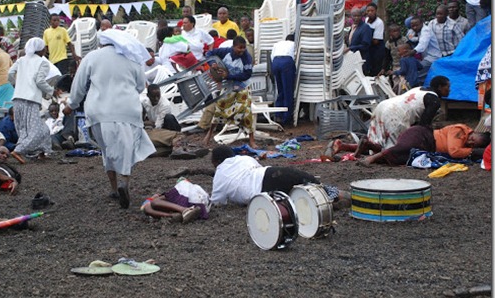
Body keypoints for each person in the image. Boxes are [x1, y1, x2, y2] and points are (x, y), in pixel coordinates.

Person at [63, 29, 156, 209]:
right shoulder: (132, 58)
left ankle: (114, 189)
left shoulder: (92, 57)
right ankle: (124, 182)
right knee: (127, 149)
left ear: (102, 42)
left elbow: (79, 86)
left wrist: (71, 105)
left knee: (108, 150)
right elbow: (139, 86)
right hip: (127, 111)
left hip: (99, 111)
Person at [332, 76, 451, 155]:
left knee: (378, 143)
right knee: (394, 151)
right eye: (447, 87)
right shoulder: (434, 100)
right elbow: (423, 125)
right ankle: (366, 145)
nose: (449, 90)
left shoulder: (420, 89)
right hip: (396, 114)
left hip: (383, 106)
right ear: (440, 87)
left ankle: (344, 146)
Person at [210, 145, 347, 208]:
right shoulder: (243, 158)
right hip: (273, 173)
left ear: (216, 162)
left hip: (264, 191)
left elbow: (217, 202)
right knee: (312, 185)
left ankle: (330, 202)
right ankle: (339, 195)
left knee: (298, 199)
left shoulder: (219, 175)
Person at [203, 37, 257, 149]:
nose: (242, 50)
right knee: (219, 110)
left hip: (242, 87)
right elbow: (209, 53)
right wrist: (212, 63)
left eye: (243, 48)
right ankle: (209, 134)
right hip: (228, 86)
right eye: (239, 48)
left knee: (247, 112)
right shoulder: (225, 51)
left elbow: (247, 75)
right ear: (233, 46)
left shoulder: (246, 58)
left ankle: (252, 140)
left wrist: (229, 76)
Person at [8, 37, 55, 163]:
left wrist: (16, 85)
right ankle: (19, 150)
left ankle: (43, 151)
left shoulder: (21, 60)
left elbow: (10, 74)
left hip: (18, 99)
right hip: (31, 99)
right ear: (40, 50)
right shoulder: (43, 62)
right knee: (34, 130)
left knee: (28, 128)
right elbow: (40, 81)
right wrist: (51, 90)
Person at [357, 124, 490, 166]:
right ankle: (372, 157)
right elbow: (454, 151)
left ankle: (369, 145)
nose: (470, 142)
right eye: (472, 138)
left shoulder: (466, 144)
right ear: (472, 132)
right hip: (423, 135)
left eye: (473, 145)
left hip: (427, 147)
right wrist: (471, 152)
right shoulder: (460, 131)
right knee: (403, 149)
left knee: (402, 158)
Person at [140, 179, 209, 223]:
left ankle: (181, 212)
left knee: (152, 204)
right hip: (200, 203)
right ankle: (177, 215)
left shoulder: (171, 195)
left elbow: (145, 206)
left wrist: (152, 198)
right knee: (149, 206)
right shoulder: (172, 197)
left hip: (187, 199)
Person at [270, 34, 296, 126]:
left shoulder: (278, 43)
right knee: (288, 91)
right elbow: (296, 58)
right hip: (286, 62)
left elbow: (272, 57)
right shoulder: (294, 44)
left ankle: (278, 115)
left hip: (276, 62)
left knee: (280, 90)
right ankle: (287, 118)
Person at [408, 16, 442, 85]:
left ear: (421, 23)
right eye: (412, 26)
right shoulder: (416, 31)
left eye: (416, 25)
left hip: (432, 57)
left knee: (417, 71)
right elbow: (410, 37)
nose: (414, 27)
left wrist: (412, 51)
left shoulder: (426, 30)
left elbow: (422, 44)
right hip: (426, 57)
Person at [344, 7, 373, 75]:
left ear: (362, 16)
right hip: (353, 59)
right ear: (351, 16)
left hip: (362, 59)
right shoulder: (353, 27)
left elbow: (365, 45)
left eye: (358, 16)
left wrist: (350, 48)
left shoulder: (365, 27)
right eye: (354, 16)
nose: (356, 18)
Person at [364, 2, 386, 76]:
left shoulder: (379, 23)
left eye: (372, 11)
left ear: (376, 11)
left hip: (377, 49)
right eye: (368, 11)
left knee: (376, 69)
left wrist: (365, 40)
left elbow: (376, 41)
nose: (370, 13)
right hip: (369, 48)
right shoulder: (366, 20)